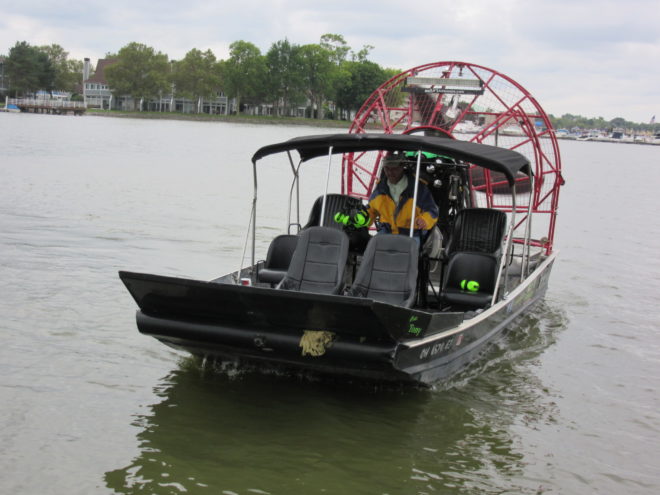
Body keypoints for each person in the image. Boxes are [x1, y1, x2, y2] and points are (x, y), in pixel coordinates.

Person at [366, 153, 439, 243]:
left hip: (411, 234)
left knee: (408, 252)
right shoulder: (380, 188)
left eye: (394, 169)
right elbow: (371, 211)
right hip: (387, 231)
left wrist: (424, 220)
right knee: (371, 246)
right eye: (387, 168)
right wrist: (361, 218)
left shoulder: (418, 188)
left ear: (402, 166)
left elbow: (432, 210)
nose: (390, 172)